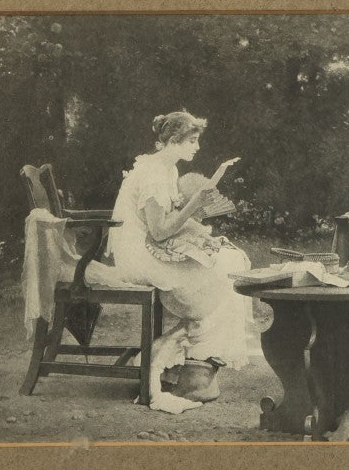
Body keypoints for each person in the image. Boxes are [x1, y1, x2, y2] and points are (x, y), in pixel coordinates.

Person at [107, 111, 252, 409]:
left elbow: (169, 221)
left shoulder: (166, 169)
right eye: (192, 141)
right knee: (229, 276)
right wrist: (195, 204)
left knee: (233, 261)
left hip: (150, 246)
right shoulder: (152, 174)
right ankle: (191, 365)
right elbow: (159, 232)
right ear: (173, 140)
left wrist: (201, 232)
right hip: (138, 254)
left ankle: (187, 363)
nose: (197, 148)